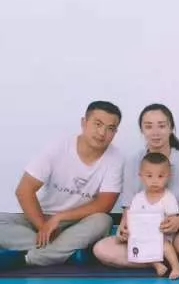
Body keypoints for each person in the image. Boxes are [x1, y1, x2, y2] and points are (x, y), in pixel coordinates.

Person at [0, 101, 124, 270]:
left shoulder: (115, 157)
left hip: (78, 223)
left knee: (103, 220)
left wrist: (59, 218)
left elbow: (105, 204)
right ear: (84, 123)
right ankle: (67, 252)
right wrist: (43, 226)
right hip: (40, 217)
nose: (102, 133)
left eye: (110, 128)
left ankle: (27, 258)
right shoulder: (59, 146)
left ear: (115, 132)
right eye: (97, 124)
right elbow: (24, 190)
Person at [93, 104, 179, 268]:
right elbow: (128, 207)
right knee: (102, 249)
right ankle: (169, 259)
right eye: (149, 126)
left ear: (171, 128)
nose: (155, 132)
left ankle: (148, 258)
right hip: (141, 234)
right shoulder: (133, 162)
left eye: (161, 126)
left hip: (173, 234)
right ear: (142, 130)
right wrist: (124, 228)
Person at [125, 152, 179, 279]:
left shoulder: (168, 197)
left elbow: (172, 219)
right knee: (137, 244)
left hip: (162, 234)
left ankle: (176, 266)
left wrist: (167, 225)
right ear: (141, 176)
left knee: (163, 245)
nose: (154, 181)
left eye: (160, 176)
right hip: (143, 234)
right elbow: (133, 218)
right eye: (149, 176)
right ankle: (157, 264)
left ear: (169, 176)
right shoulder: (138, 198)